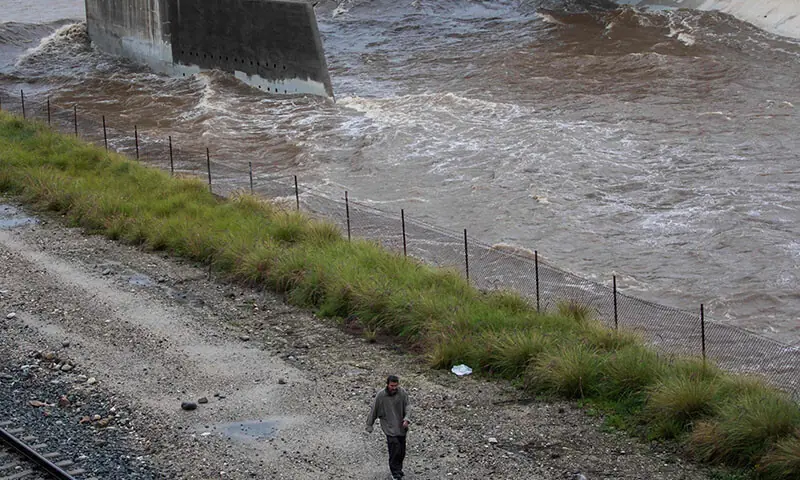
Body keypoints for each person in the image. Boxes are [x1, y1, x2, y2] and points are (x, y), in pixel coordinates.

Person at [366, 375, 411, 479]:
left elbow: (408, 406)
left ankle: (399, 469)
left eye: (396, 385)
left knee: (401, 450)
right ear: (387, 384)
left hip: (401, 427)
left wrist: (407, 419)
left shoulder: (402, 393)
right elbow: (374, 410)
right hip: (389, 427)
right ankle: (395, 472)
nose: (394, 388)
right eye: (392, 386)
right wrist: (369, 424)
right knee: (394, 448)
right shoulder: (381, 396)